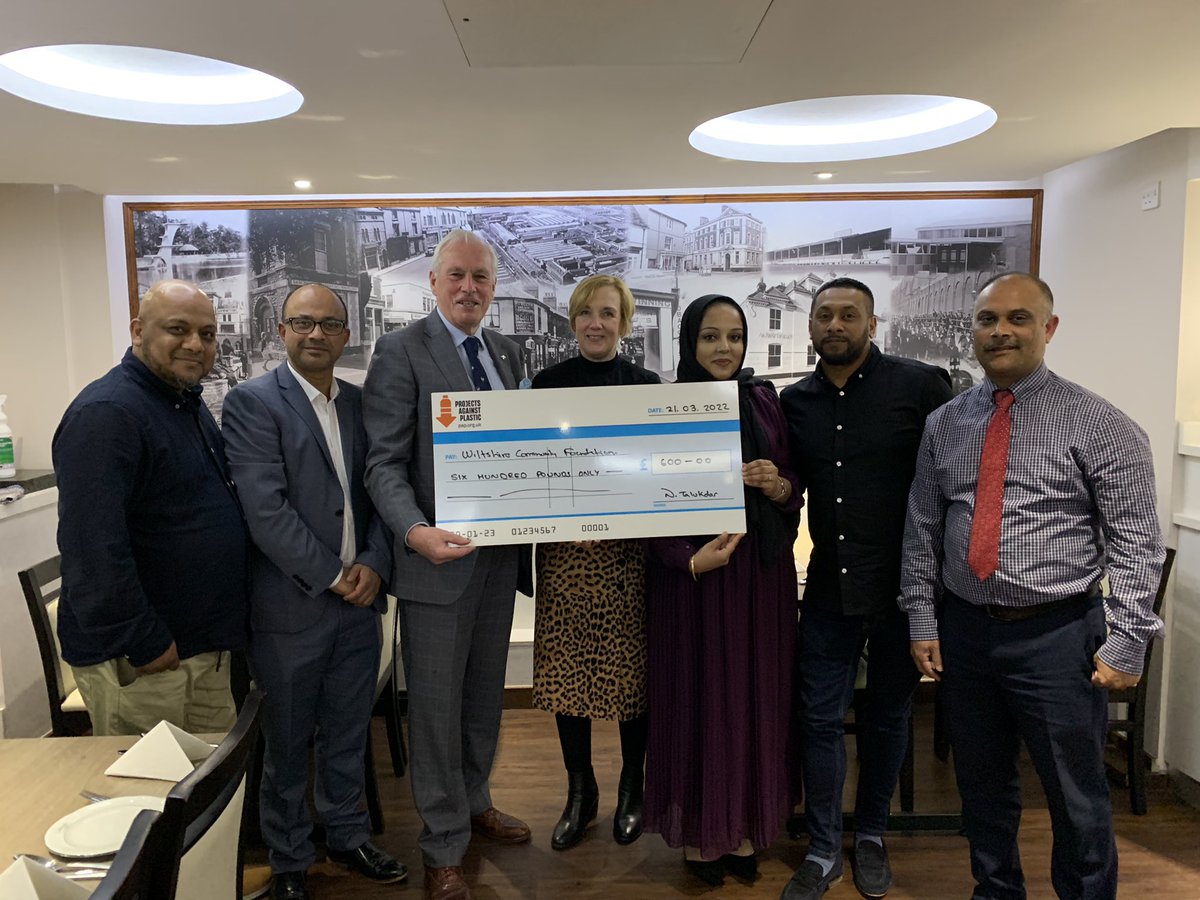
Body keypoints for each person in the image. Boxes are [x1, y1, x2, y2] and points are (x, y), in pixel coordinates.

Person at [900, 272, 1165, 900]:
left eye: (1019, 318)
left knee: (1077, 796)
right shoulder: (945, 424)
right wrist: (923, 619)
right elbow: (922, 528)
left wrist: (1127, 643)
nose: (1001, 331)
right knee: (984, 789)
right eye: (988, 320)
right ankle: (996, 891)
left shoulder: (1102, 424)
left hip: (1059, 636)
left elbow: (1136, 543)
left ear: (1049, 329)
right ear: (972, 332)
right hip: (965, 631)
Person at [362, 229, 531, 900]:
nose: (469, 288)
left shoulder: (510, 352)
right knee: (434, 708)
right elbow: (383, 462)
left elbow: (527, 452)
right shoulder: (401, 352)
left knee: (483, 698)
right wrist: (415, 531)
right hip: (436, 564)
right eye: (456, 275)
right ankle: (441, 848)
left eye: (481, 277)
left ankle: (475, 800)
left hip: (497, 563)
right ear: (433, 283)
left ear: (494, 286)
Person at [222, 284, 405, 900]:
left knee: (348, 733)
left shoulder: (359, 404)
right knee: (288, 744)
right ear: (281, 330)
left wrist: (376, 563)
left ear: (347, 334)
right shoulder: (251, 403)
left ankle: (348, 836)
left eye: (329, 324)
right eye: (302, 322)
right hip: (292, 609)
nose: (316, 334)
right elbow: (265, 510)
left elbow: (382, 488)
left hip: (360, 603)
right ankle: (290, 860)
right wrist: (334, 575)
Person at [780, 278, 952, 899]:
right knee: (818, 719)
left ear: (872, 325)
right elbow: (785, 482)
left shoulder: (921, 386)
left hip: (905, 592)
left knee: (887, 719)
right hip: (828, 588)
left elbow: (952, 485)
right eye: (824, 315)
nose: (835, 325)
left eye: (849, 315)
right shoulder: (794, 401)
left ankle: (872, 836)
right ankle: (825, 848)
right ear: (811, 327)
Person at [642, 294, 801, 887]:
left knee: (755, 699)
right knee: (700, 697)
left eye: (734, 337)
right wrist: (686, 562)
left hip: (759, 579)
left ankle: (740, 829)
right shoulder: (663, 405)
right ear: (689, 343)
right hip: (692, 584)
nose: (724, 349)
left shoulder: (765, 400)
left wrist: (777, 484)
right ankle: (700, 840)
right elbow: (642, 498)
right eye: (710, 337)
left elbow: (794, 481)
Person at [52, 278, 248, 737]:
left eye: (207, 333)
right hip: (148, 661)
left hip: (200, 650)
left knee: (209, 797)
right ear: (138, 331)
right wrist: (143, 641)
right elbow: (92, 548)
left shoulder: (183, 402)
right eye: (178, 330)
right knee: (147, 798)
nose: (195, 344)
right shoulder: (107, 414)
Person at [530, 275, 661, 851]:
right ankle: (580, 792)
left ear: (624, 322)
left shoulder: (646, 385)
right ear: (573, 320)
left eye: (608, 313)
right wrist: (563, 522)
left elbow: (654, 473)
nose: (596, 323)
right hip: (565, 557)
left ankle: (633, 785)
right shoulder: (544, 384)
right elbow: (532, 470)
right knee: (568, 677)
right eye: (586, 313)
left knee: (631, 678)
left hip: (629, 555)